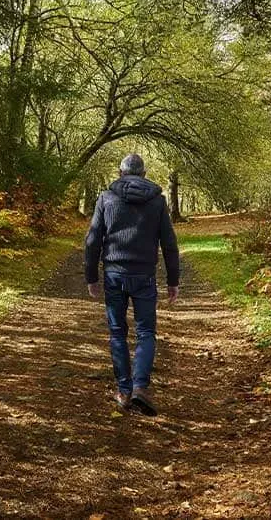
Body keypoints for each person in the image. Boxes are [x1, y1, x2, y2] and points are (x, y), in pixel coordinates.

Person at [84, 153, 180, 416]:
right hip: (145, 277)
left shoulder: (106, 199)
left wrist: (92, 277)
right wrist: (173, 281)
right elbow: (169, 244)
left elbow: (93, 241)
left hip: (114, 275)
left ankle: (124, 390)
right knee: (146, 332)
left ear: (120, 173)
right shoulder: (158, 202)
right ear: (144, 174)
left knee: (117, 332)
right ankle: (140, 387)